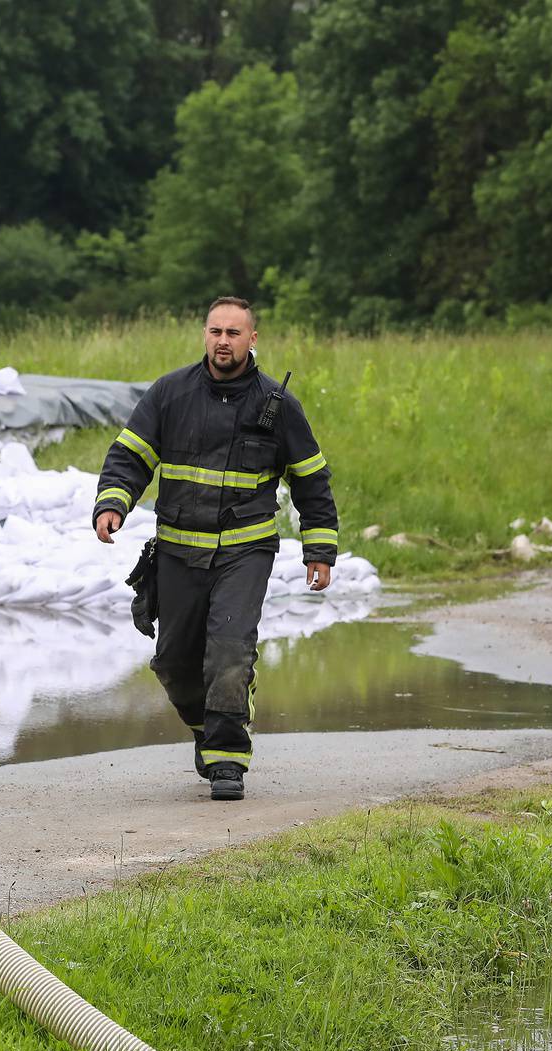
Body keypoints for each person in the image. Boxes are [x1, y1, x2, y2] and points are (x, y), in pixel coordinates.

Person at [92, 296, 339, 802]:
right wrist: (112, 503)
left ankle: (228, 760)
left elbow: (311, 480)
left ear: (252, 339)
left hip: (244, 554)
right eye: (215, 331)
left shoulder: (277, 405)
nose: (222, 340)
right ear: (205, 335)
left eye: (233, 332)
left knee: (228, 652)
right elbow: (130, 455)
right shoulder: (170, 393)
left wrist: (319, 547)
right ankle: (208, 728)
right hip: (179, 552)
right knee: (174, 663)